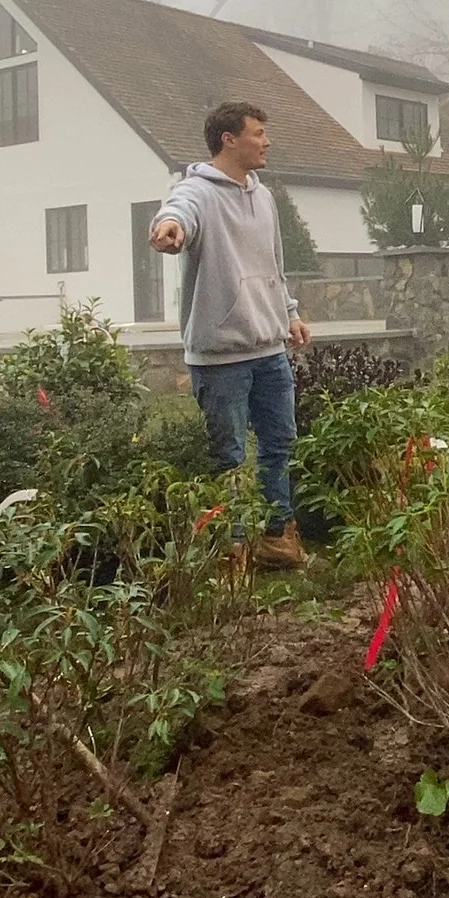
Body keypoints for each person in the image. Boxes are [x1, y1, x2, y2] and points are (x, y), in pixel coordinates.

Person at [151, 101, 312, 568]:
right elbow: (177, 213)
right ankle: (233, 551)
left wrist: (291, 313)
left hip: (269, 350)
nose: (267, 141)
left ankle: (277, 540)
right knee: (230, 458)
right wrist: (169, 228)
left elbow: (274, 266)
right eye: (258, 133)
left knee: (280, 444)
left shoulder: (263, 197)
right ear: (229, 139)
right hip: (221, 358)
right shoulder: (196, 191)